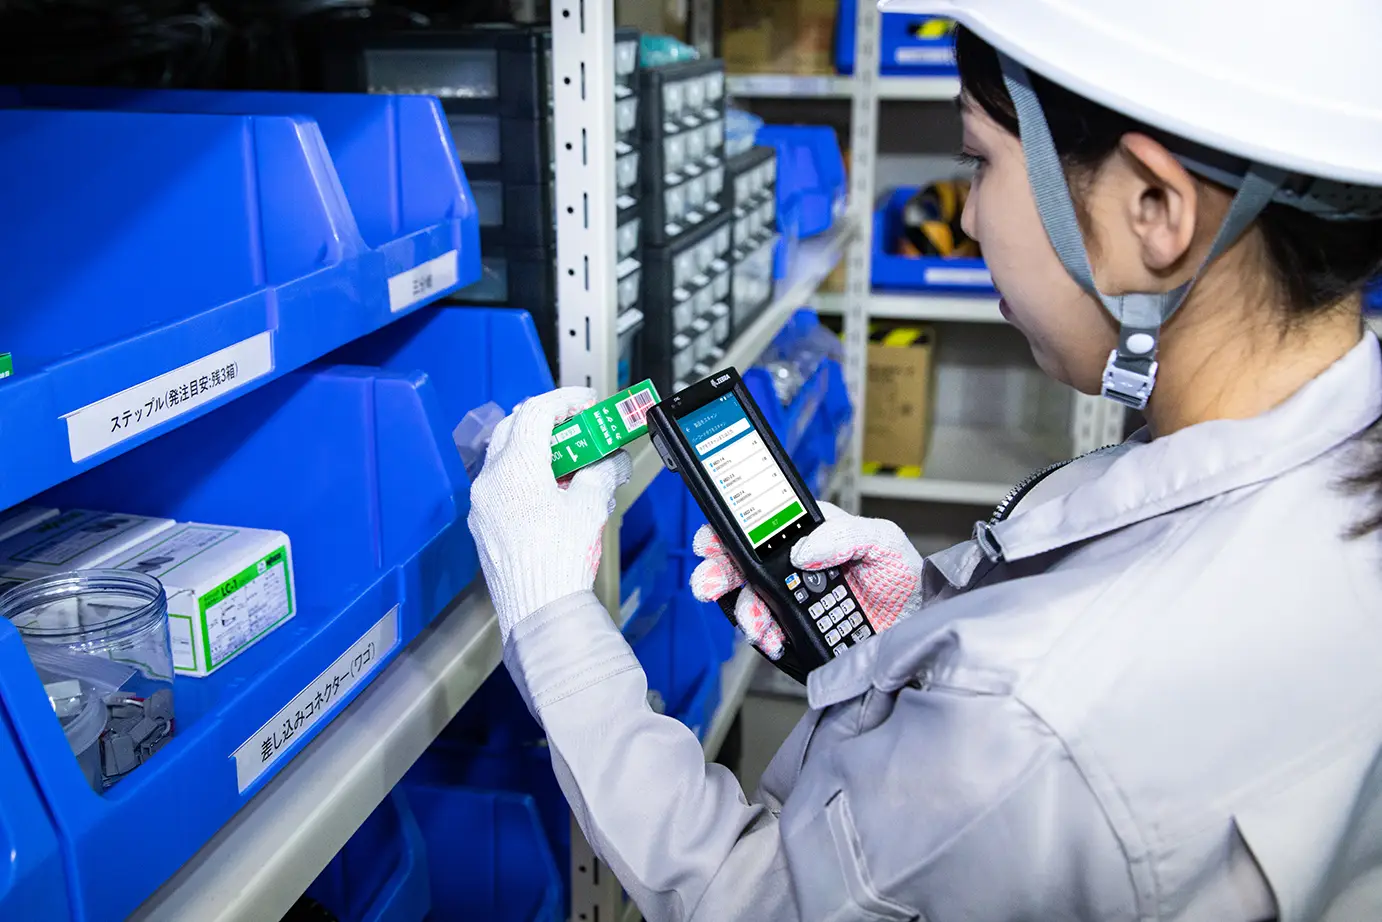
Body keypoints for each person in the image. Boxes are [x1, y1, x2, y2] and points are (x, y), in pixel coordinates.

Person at [467, 0, 1382, 917]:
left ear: (1155, 208)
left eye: (979, 159)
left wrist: (551, 621)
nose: (969, 217)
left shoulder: (1031, 729)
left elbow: (753, 902)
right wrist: (928, 630)